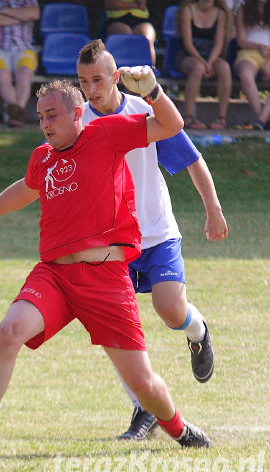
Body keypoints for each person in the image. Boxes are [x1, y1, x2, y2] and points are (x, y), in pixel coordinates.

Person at [0, 68, 213, 458]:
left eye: (52, 115)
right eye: (40, 117)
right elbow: (27, 189)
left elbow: (171, 123)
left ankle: (179, 429)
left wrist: (152, 91)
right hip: (55, 277)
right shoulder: (42, 157)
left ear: (77, 114)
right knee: (8, 333)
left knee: (144, 384)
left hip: (107, 280)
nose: (45, 124)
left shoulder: (107, 133)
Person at [76, 39, 227, 440]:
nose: (91, 88)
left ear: (115, 77)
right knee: (115, 327)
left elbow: (193, 160)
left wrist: (212, 209)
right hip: (111, 243)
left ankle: (198, 333)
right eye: (83, 81)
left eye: (97, 79)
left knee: (170, 310)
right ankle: (144, 408)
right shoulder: (80, 125)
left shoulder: (145, 112)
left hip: (157, 234)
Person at [0, 0, 40, 127]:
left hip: (24, 47)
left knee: (24, 73)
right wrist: (20, 17)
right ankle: (17, 115)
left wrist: (3, 12)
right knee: (2, 75)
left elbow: (34, 14)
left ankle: (16, 112)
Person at [176, 0, 232, 130]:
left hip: (211, 56)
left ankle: (222, 118)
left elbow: (218, 43)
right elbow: (187, 43)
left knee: (224, 68)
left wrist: (210, 62)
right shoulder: (188, 10)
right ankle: (188, 116)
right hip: (190, 55)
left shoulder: (221, 14)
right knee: (198, 68)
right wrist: (202, 62)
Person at [233, 0, 270, 130]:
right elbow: (241, 40)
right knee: (246, 75)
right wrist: (257, 47)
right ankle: (262, 119)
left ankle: (261, 120)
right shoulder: (243, 8)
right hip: (249, 52)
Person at [103, 0, 157, 65]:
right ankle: (121, 70)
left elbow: (142, 4)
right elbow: (111, 4)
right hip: (116, 19)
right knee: (126, 36)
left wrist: (124, 4)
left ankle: (151, 69)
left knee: (147, 39)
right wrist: (135, 5)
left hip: (141, 19)